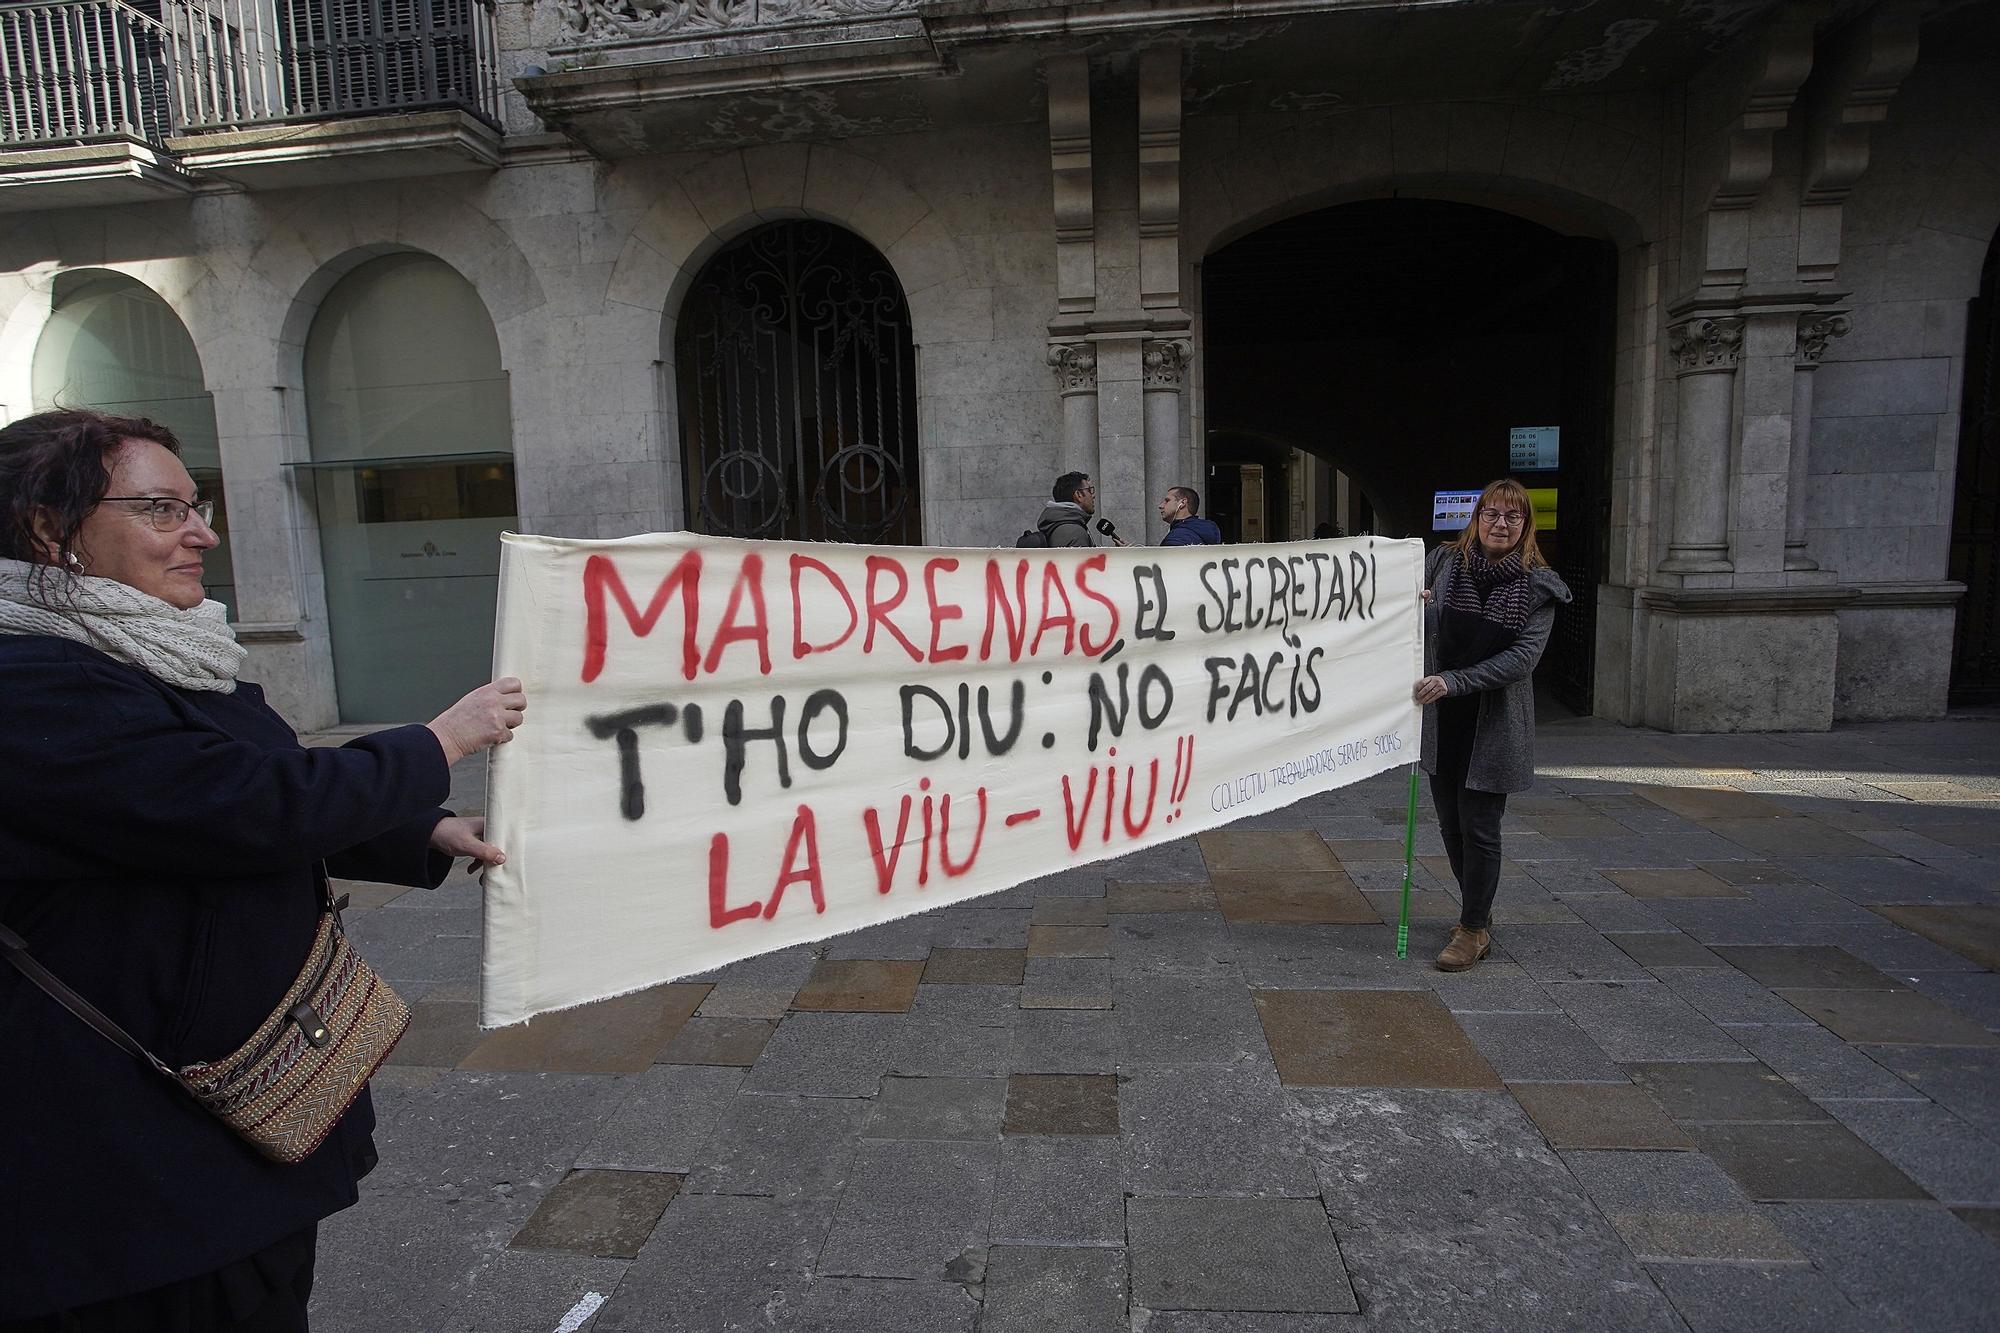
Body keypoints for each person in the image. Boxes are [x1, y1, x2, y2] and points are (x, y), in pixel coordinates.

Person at [0, 409, 526, 1332]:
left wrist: (426, 829)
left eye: (194, 504)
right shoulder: (31, 679)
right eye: (162, 510)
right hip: (128, 1154)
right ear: (49, 528)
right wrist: (442, 740)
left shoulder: (153, 645)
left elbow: (252, 784)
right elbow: (238, 806)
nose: (203, 533)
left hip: (217, 1120)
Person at [1413, 478, 1570, 972]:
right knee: (1450, 825)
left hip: (1492, 723)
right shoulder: (1440, 564)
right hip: (1442, 723)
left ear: (1526, 526)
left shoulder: (1538, 585)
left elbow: (1522, 659)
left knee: (1480, 827)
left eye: (1512, 517)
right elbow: (1398, 618)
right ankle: (1474, 913)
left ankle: (1473, 929)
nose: (1500, 524)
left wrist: (1453, 682)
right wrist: (1410, 605)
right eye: (1492, 514)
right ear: (1476, 518)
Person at [1035, 471, 1118, 547]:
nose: (1093, 496)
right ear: (1078, 495)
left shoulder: (1055, 524)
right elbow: (1082, 564)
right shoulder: (1075, 533)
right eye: (1089, 490)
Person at [1157, 486, 1222, 546]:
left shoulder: (1178, 537)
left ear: (1182, 503)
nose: (1161, 506)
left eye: (1167, 501)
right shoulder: (1206, 530)